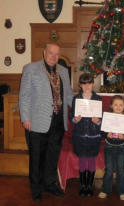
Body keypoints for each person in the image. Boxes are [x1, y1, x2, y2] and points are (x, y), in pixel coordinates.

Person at [19, 42, 73, 202]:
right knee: (36, 158)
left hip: (58, 122)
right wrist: (25, 118)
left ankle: (50, 184)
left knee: (52, 157)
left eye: (57, 54)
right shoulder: (31, 69)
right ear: (44, 53)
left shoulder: (63, 71)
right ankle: (36, 189)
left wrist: (82, 107)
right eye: (51, 53)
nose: (54, 56)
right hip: (37, 122)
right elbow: (24, 96)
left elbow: (68, 95)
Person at [70, 73, 102, 197]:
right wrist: (75, 119)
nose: (87, 86)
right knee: (83, 159)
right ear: (80, 85)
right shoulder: (76, 99)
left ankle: (89, 185)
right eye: (84, 83)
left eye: (89, 83)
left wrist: (98, 121)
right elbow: (71, 115)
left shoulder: (98, 99)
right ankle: (83, 185)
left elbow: (101, 118)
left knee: (92, 160)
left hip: (94, 136)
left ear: (93, 84)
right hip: (80, 135)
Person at [98, 95, 124, 201]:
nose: (118, 107)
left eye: (121, 105)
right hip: (109, 147)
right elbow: (101, 131)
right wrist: (106, 134)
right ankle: (105, 190)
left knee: (121, 170)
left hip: (121, 148)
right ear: (111, 106)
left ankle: (122, 191)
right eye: (116, 105)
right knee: (109, 170)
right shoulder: (107, 117)